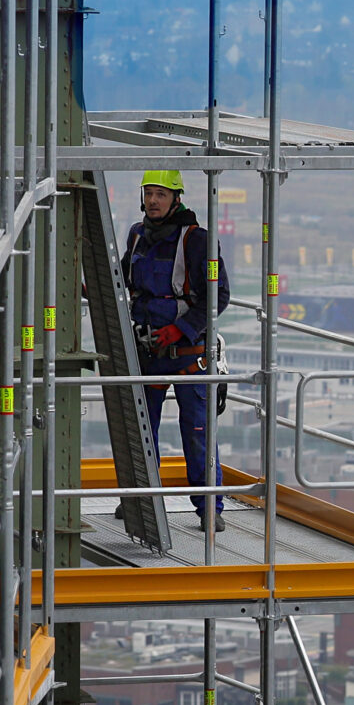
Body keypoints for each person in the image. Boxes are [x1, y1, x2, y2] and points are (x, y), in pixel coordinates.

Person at [120, 170, 229, 527]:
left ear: (176, 199)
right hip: (148, 351)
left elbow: (219, 296)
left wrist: (180, 329)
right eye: (149, 193)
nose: (153, 201)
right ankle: (138, 501)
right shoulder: (138, 236)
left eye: (161, 194)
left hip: (188, 355)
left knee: (197, 431)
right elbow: (123, 278)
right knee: (140, 430)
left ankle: (209, 507)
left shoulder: (197, 241)